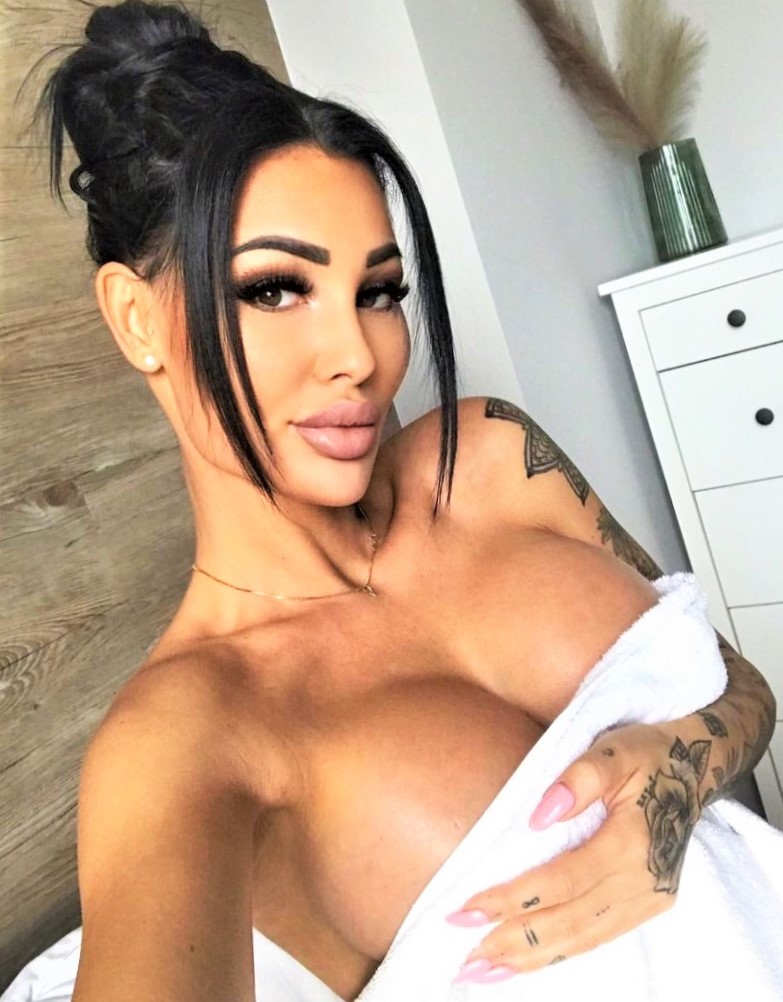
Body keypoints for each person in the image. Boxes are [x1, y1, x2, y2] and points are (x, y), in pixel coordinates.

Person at [11, 2, 777, 999]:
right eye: (275, 289)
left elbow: (742, 686)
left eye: (377, 293)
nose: (358, 356)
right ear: (136, 319)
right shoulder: (185, 740)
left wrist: (680, 771)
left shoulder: (495, 455)